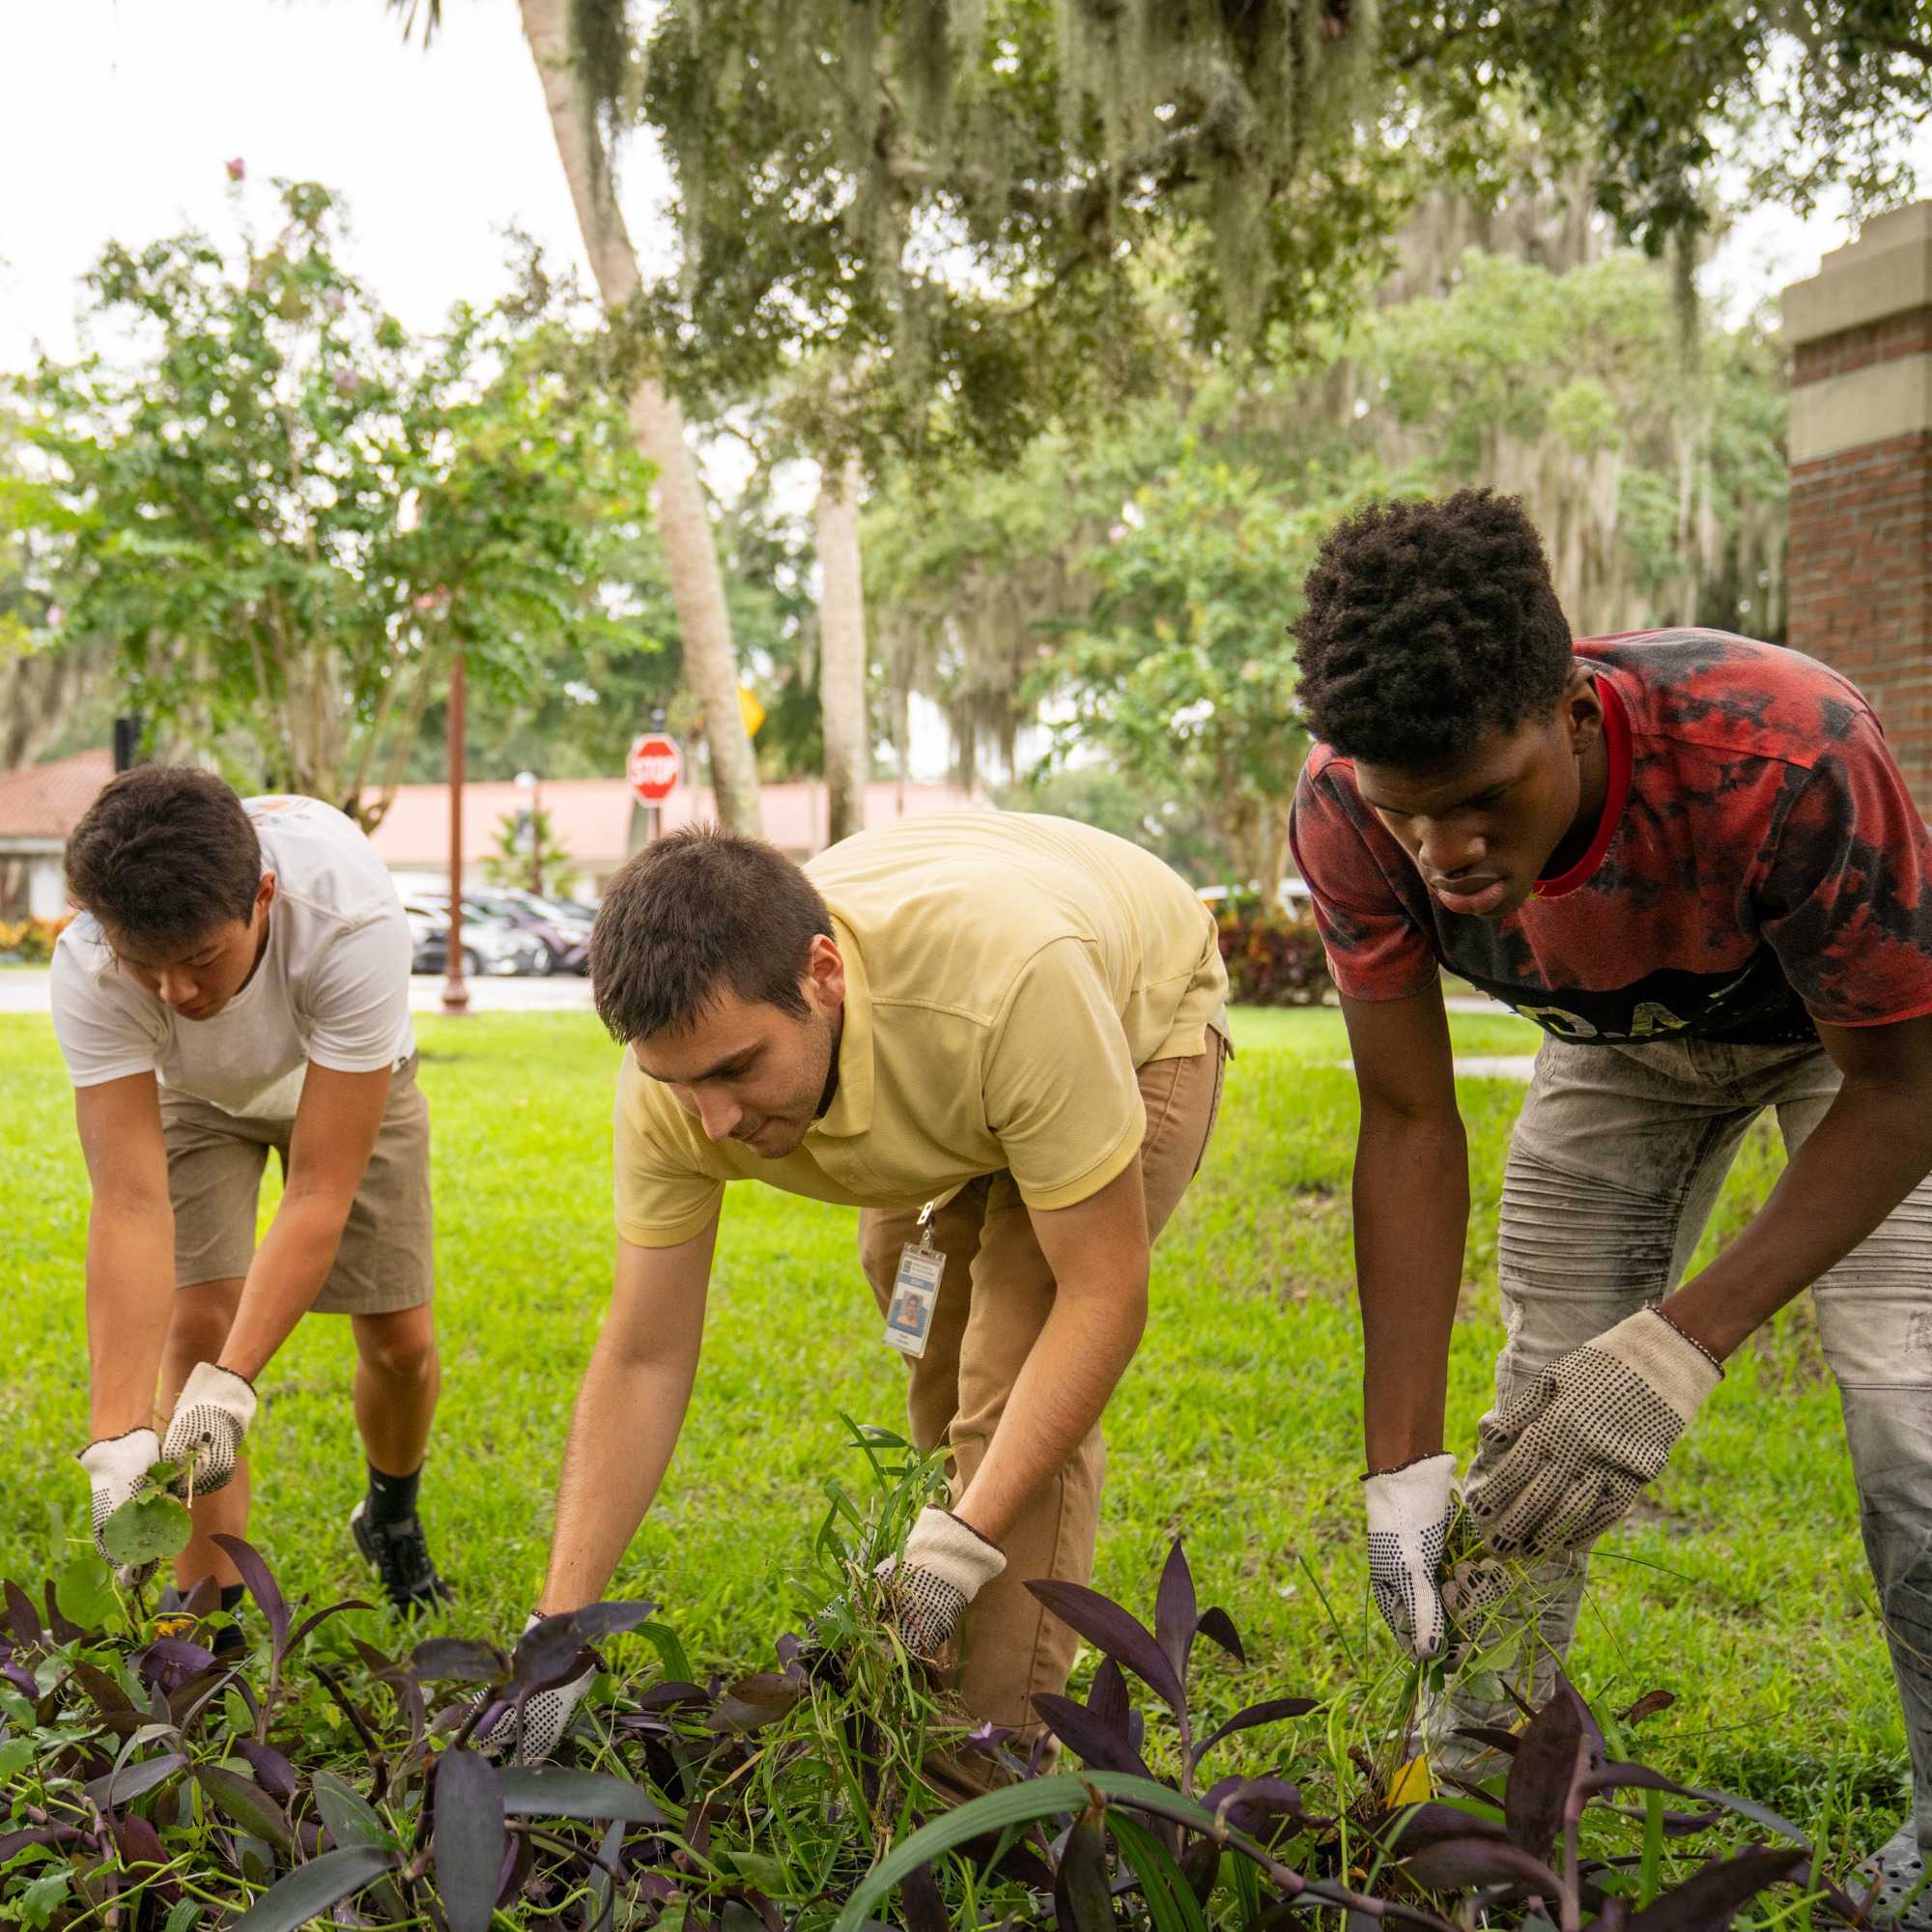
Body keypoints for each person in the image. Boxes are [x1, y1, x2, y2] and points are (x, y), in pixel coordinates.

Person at [1287, 488, 1932, 1919]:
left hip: (1854, 1052)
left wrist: (1682, 1342)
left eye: (1482, 798)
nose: (1446, 849)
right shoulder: (1345, 805)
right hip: (1615, 1053)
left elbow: (1905, 1090)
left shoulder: (1789, 752)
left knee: (1912, 1426)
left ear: (1575, 714)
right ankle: (1474, 1825)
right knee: (1538, 1426)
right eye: (1412, 812)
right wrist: (1402, 1462)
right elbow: (1405, 1119)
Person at [507, 814, 1228, 1772]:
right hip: (952, 1051)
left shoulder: (1010, 987)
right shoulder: (675, 1088)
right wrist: (559, 1626)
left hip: (1129, 1007)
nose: (712, 1118)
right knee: (933, 1341)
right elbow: (643, 1353)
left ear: (823, 973)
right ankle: (944, 1591)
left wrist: (968, 1536)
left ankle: (985, 1764)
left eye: (735, 1068)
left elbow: (1099, 1297)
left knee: (1014, 1378)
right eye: (677, 1082)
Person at [54, 769, 450, 1616]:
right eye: (145, 968)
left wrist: (235, 1384)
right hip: (195, 1094)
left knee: (398, 1341)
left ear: (263, 896)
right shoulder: (90, 960)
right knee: (195, 1326)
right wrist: (117, 1433)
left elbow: (316, 1192)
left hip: (346, 1076)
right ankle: (210, 1614)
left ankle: (391, 1513)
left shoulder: (351, 918)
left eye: (200, 959)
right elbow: (128, 1203)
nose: (176, 994)